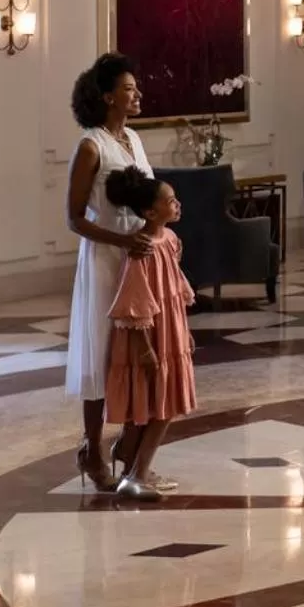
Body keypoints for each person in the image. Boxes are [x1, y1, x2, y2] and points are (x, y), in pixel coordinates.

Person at [64, 53, 154, 492]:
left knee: (138, 349)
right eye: (129, 88)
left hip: (138, 258)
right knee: (101, 350)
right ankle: (91, 446)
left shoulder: (134, 141)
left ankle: (129, 443)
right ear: (106, 96)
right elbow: (74, 218)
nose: (137, 95)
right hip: (104, 259)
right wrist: (121, 240)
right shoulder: (90, 147)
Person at [101, 168, 196, 502]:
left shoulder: (169, 241)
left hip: (171, 332)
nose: (178, 204)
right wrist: (144, 348)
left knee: (164, 404)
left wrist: (184, 333)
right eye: (171, 201)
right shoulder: (141, 252)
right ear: (150, 212)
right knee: (161, 405)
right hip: (150, 337)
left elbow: (173, 291)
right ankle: (135, 474)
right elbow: (136, 303)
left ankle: (130, 458)